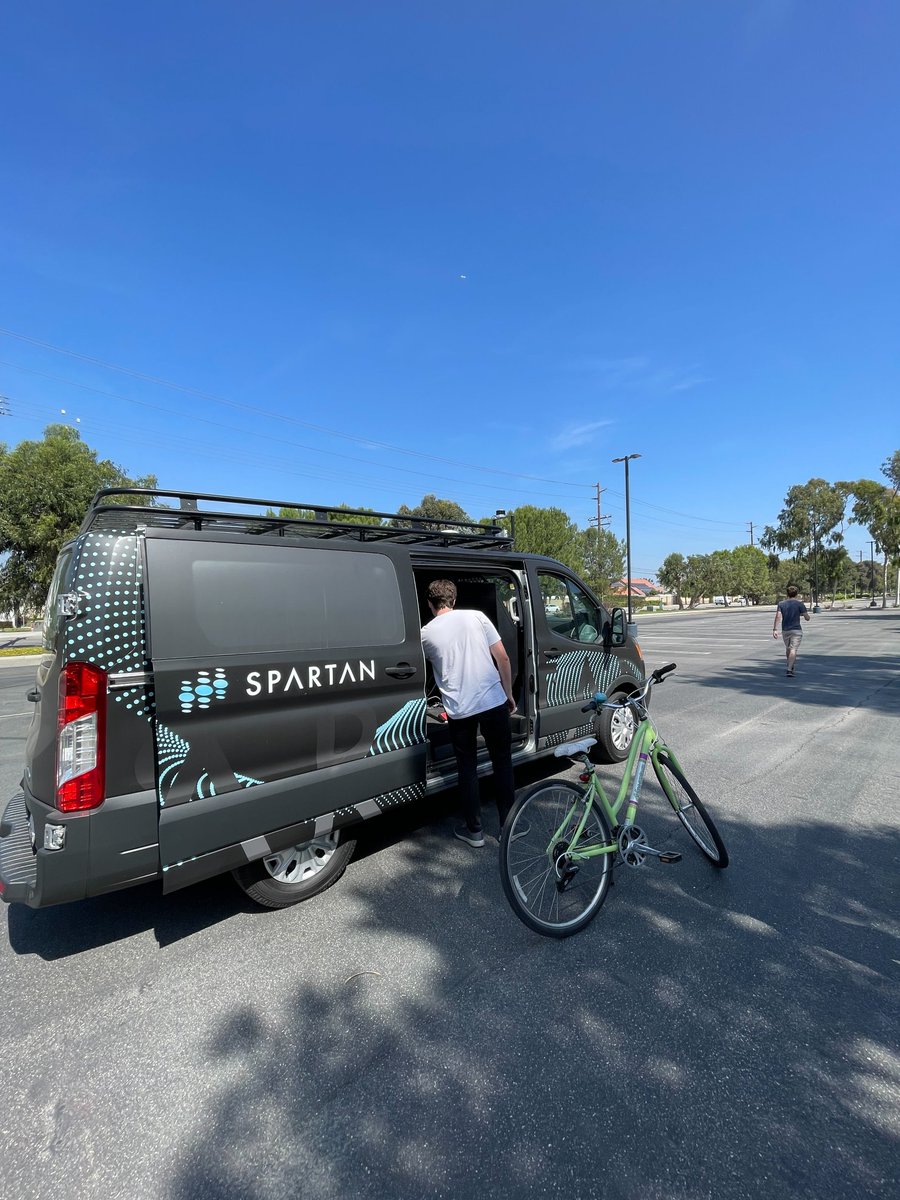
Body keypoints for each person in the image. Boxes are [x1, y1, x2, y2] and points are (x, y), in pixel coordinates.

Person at [420, 579, 516, 847]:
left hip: (459, 710)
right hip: (492, 701)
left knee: (467, 768)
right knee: (502, 762)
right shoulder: (476, 617)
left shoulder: (425, 633)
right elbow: (503, 658)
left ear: (430, 603)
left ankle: (474, 832)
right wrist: (508, 694)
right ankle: (508, 828)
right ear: (454, 599)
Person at [772, 584, 811, 677]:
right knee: (793, 649)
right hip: (796, 630)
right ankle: (789, 669)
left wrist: (775, 629)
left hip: (785, 630)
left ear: (787, 594)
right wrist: (801, 614)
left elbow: (778, 616)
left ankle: (790, 664)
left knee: (788, 648)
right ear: (796, 594)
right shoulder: (800, 604)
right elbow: (807, 618)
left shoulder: (781, 604)